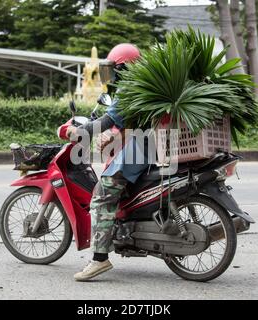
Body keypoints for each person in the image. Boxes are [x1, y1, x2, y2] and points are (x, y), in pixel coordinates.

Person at [66, 43, 150, 281]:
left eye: (115, 69)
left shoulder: (130, 88)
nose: (113, 74)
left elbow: (106, 121)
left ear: (124, 68)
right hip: (152, 146)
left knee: (102, 195)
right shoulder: (145, 85)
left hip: (141, 149)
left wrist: (80, 131)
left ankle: (99, 259)